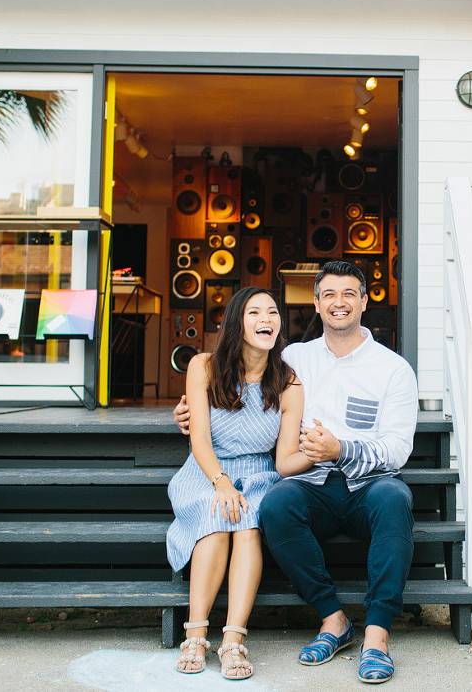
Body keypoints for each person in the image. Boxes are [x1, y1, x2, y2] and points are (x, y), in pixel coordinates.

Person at [175, 260, 418, 684]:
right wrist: (190, 414)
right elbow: (240, 384)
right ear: (317, 304)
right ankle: (333, 619)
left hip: (369, 484)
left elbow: (398, 449)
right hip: (311, 482)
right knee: (277, 505)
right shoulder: (291, 358)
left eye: (348, 295)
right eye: (328, 295)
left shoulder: (393, 368)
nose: (338, 303)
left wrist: (342, 449)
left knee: (396, 500)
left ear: (364, 301)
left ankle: (377, 635)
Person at [165, 286, 308, 679]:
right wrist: (221, 483)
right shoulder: (204, 366)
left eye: (273, 312)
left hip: (259, 473)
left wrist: (322, 453)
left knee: (246, 526)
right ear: (236, 322)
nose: (267, 319)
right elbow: (199, 439)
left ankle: (233, 640)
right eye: (255, 312)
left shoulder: (289, 382)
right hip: (206, 469)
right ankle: (195, 633)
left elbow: (282, 458)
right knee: (215, 521)